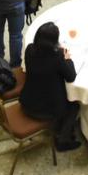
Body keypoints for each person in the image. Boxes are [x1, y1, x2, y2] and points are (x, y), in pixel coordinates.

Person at [19, 22, 80, 151]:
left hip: (27, 101)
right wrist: (68, 59)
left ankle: (60, 128)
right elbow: (71, 76)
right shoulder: (57, 58)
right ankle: (63, 139)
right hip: (46, 110)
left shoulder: (29, 50)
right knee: (74, 105)